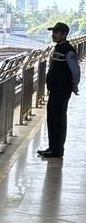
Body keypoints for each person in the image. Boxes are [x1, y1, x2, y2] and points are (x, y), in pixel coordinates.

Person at [39, 21, 79, 160]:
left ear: (64, 34)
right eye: (53, 32)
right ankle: (52, 147)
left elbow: (75, 71)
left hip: (62, 90)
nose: (53, 35)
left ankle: (58, 149)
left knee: (59, 119)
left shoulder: (69, 50)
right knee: (52, 117)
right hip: (55, 89)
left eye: (56, 32)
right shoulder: (58, 48)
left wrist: (74, 86)